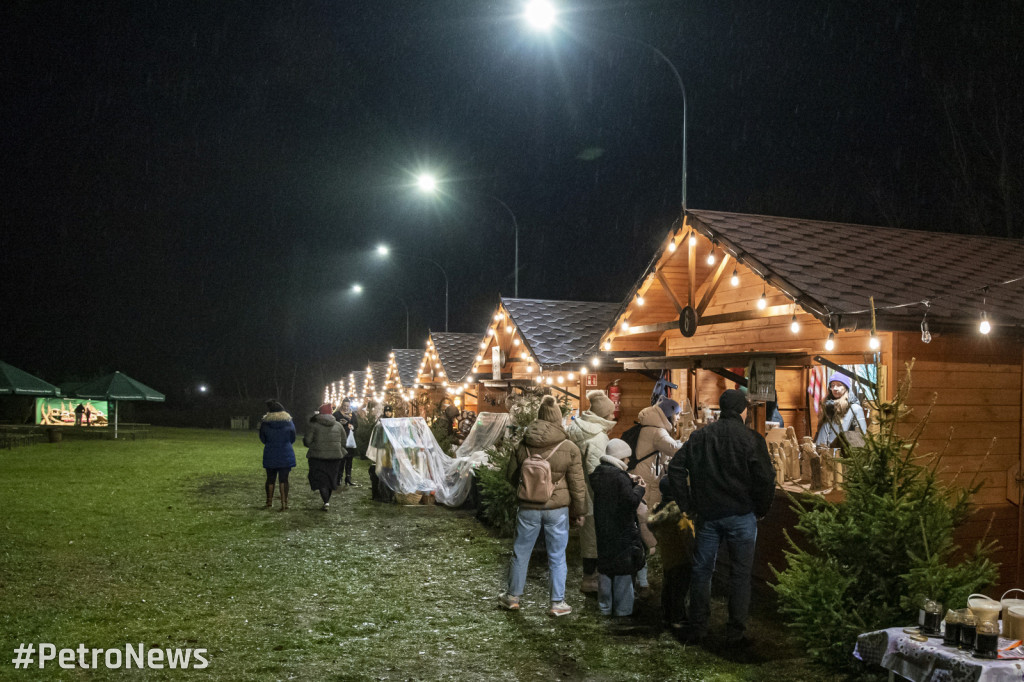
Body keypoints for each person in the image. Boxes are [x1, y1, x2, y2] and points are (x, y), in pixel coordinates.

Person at [667, 389, 775, 644]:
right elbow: (766, 479)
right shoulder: (752, 439)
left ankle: (698, 624)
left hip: (708, 515)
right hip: (741, 514)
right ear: (743, 410)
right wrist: (760, 508)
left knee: (702, 571)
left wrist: (688, 504)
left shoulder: (701, 436)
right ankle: (735, 630)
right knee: (740, 574)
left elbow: (676, 467)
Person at [499, 395, 586, 617]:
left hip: (528, 508)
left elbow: (511, 476)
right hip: (557, 510)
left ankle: (513, 597)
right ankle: (557, 603)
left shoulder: (523, 444)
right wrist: (580, 512)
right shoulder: (569, 447)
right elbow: (577, 485)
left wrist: (529, 488)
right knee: (557, 555)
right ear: (558, 419)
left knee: (521, 552)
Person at [566, 389, 617, 593]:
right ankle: (591, 580)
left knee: (589, 537)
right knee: (594, 539)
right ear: (604, 415)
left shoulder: (578, 429)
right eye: (611, 413)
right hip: (593, 496)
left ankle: (591, 578)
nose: (614, 416)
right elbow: (598, 472)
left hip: (579, 491)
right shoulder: (596, 438)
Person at [632, 397, 684, 596]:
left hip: (645, 475)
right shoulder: (657, 431)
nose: (678, 418)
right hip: (648, 481)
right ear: (669, 413)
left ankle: (642, 577)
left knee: (642, 523)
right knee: (645, 523)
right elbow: (675, 449)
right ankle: (643, 577)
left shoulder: (651, 426)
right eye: (677, 414)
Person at [590, 438, 646, 617]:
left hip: (604, 528)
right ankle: (623, 609)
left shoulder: (599, 474)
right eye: (627, 458)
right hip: (621, 529)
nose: (628, 461)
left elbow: (613, 491)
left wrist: (629, 480)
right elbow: (630, 502)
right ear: (620, 457)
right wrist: (639, 489)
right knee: (623, 568)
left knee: (606, 568)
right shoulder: (619, 477)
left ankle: (604, 607)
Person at [304, 403, 347, 511]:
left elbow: (308, 441)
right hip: (335, 456)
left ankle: (326, 502)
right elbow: (344, 441)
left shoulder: (314, 425)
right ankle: (327, 502)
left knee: (321, 479)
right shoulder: (338, 425)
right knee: (331, 479)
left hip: (318, 456)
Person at [259, 399, 296, 511]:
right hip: (286, 453)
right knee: (284, 479)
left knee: (270, 478)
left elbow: (262, 438)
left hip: (270, 452)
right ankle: (284, 503)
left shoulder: (265, 423)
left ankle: (269, 502)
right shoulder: (289, 422)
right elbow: (292, 437)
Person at [814, 373, 868, 446]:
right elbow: (821, 431)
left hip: (842, 453)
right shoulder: (828, 406)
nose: (835, 388)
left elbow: (861, 436)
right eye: (832, 385)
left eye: (839, 385)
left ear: (846, 387)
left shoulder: (855, 408)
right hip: (823, 451)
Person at [333, 398, 360, 487]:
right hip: (340, 440)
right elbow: (333, 424)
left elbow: (356, 425)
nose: (346, 408)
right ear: (341, 405)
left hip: (350, 440)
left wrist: (352, 426)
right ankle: (339, 478)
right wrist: (342, 424)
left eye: (347, 406)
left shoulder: (352, 415)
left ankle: (348, 478)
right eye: (344, 405)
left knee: (349, 460)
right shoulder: (337, 414)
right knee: (341, 459)